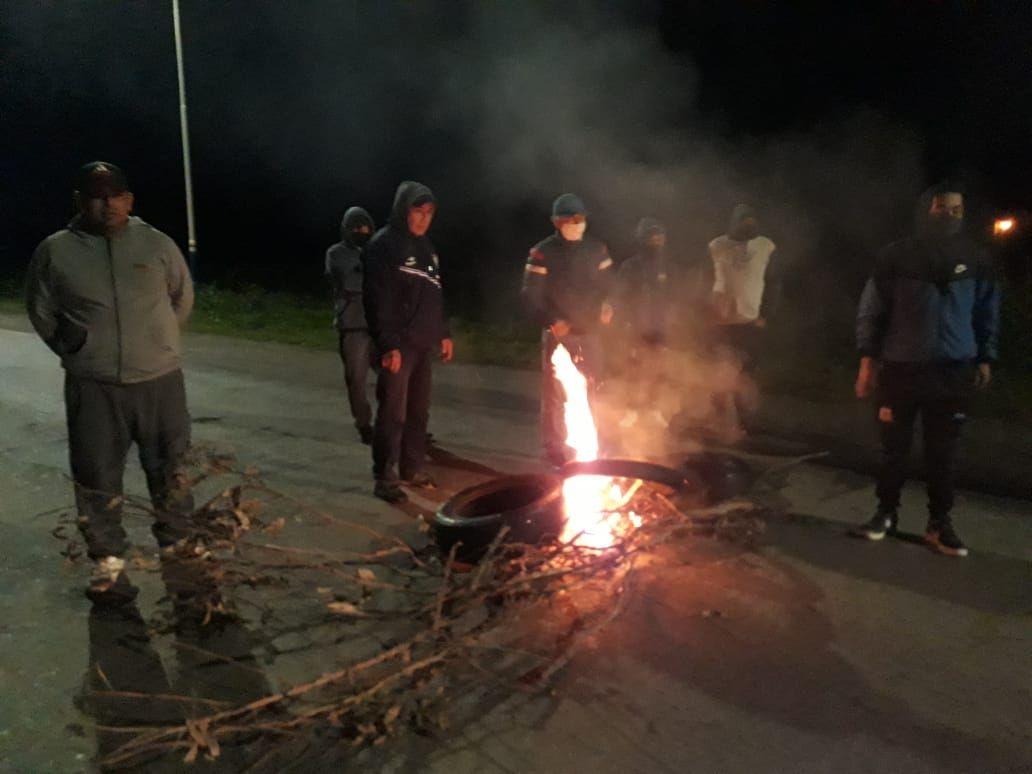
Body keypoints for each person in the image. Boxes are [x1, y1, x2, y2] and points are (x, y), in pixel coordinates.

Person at [26, 161, 195, 599]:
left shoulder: (156, 243)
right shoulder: (56, 251)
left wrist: (158, 342)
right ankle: (109, 565)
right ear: (80, 202)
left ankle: (179, 553)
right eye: (97, 196)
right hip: (94, 386)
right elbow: (41, 311)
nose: (108, 205)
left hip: (159, 380)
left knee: (172, 469)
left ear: (129, 200)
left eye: (116, 195)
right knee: (96, 475)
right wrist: (79, 351)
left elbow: (181, 296)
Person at [852, 183, 1000, 557]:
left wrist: (985, 356)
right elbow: (872, 310)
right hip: (901, 367)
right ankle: (885, 514)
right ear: (926, 210)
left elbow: (986, 311)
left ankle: (939, 525)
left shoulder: (976, 258)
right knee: (893, 451)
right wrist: (867, 361)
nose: (949, 214)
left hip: (953, 370)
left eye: (955, 209)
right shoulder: (896, 256)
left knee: (943, 454)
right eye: (941, 207)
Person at [363, 181, 453, 504]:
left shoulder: (428, 249)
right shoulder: (383, 245)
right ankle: (384, 476)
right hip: (397, 346)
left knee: (418, 412)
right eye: (418, 211)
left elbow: (434, 295)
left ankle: (412, 468)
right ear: (404, 210)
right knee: (392, 413)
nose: (423, 219)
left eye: (429, 213)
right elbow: (377, 300)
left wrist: (443, 333)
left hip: (422, 345)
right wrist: (388, 344)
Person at [521, 193, 614, 467]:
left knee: (595, 388)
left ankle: (596, 444)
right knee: (556, 393)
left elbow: (610, 285)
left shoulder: (597, 249)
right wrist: (551, 320)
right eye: (570, 219)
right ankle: (554, 449)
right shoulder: (542, 252)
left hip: (591, 331)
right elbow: (530, 295)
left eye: (580, 219)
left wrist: (610, 304)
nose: (576, 224)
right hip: (560, 334)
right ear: (556, 222)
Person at [708, 203, 780, 434]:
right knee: (719, 375)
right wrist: (706, 309)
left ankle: (745, 425)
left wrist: (766, 314)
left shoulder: (765, 247)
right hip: (721, 322)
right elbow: (705, 278)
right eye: (743, 221)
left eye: (751, 221)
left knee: (746, 377)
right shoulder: (717, 246)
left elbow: (774, 282)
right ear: (734, 222)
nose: (748, 225)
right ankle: (719, 423)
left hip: (750, 323)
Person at [325, 206, 376, 444]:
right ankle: (364, 423)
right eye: (356, 227)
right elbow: (348, 281)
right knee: (356, 380)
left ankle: (401, 423)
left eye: (365, 227)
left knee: (396, 378)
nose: (361, 231)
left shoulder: (377, 250)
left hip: (380, 324)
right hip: (353, 325)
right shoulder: (336, 253)